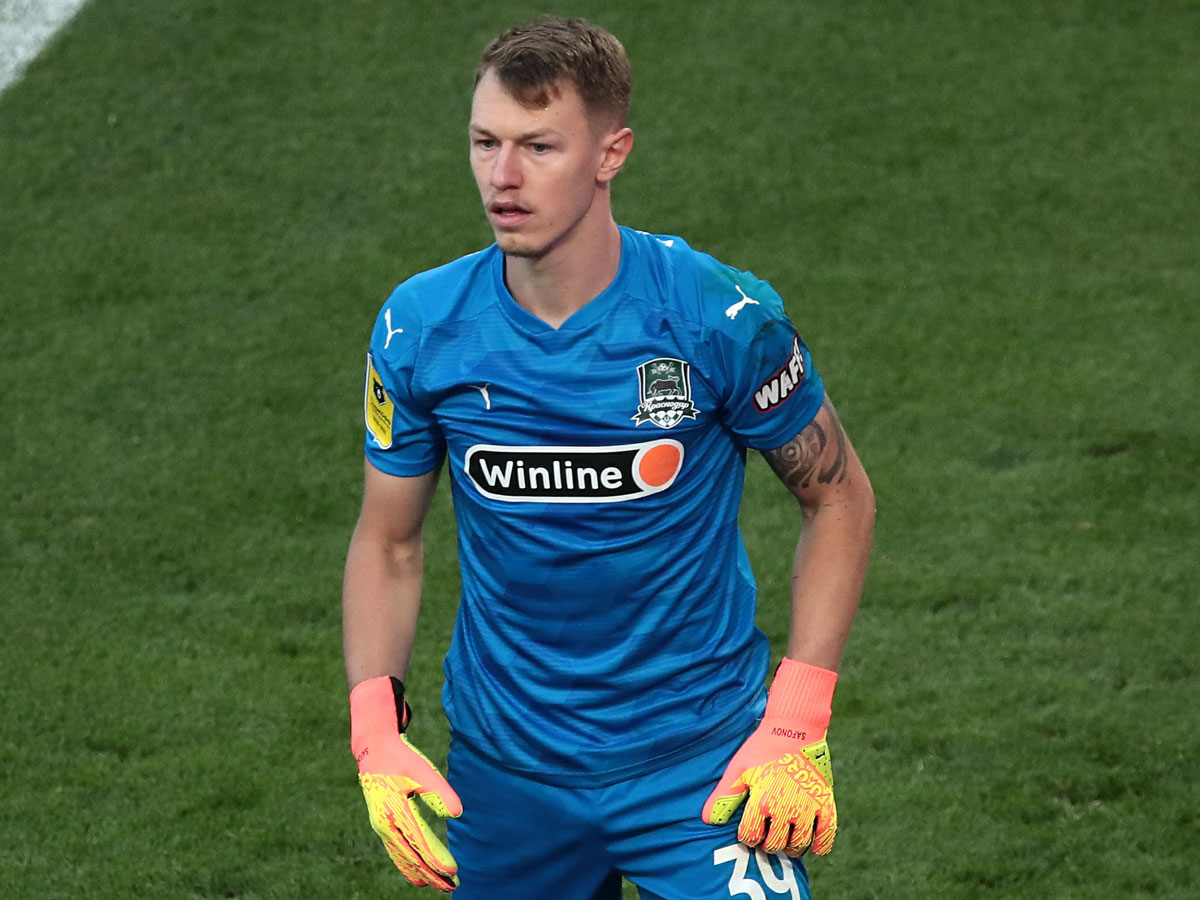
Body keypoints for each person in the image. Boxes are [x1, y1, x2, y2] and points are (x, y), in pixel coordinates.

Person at [343, 15, 875, 900]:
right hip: (507, 777)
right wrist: (375, 728)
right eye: (485, 142)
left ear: (610, 154)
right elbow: (388, 540)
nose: (502, 177)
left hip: (702, 768)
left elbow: (839, 498)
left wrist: (796, 721)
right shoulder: (420, 328)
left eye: (538, 147)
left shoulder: (716, 317)